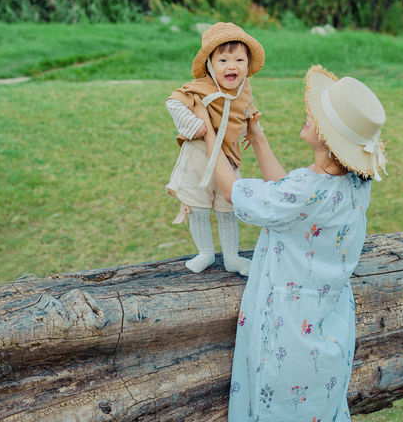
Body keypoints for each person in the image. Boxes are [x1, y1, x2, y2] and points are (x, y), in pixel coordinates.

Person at [200, 62, 387, 421]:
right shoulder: (351, 187)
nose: (307, 112)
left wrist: (210, 132)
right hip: (328, 332)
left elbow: (235, 192)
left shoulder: (308, 190)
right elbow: (286, 202)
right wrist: (257, 138)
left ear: (329, 139)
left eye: (315, 114)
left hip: (287, 337)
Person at [164, 21, 265, 276]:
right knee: (198, 206)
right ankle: (206, 253)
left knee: (227, 207)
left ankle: (232, 257)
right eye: (223, 61)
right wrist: (192, 124)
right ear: (210, 64)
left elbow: (244, 109)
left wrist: (250, 122)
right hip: (199, 154)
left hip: (228, 158)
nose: (232, 66)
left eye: (240, 60)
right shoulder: (201, 87)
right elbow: (173, 103)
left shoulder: (245, 89)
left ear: (248, 64)